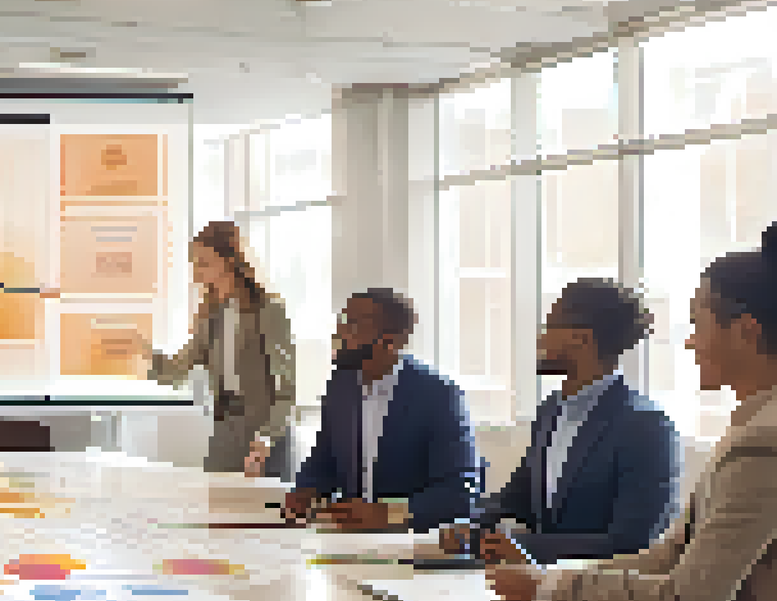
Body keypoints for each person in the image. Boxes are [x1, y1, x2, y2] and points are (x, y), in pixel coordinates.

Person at [489, 221, 777, 601]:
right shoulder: (750, 427)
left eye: (698, 323)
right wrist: (545, 576)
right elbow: (667, 557)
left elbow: (686, 599)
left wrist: (547, 585)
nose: (690, 343)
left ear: (746, 331)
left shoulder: (760, 441)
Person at [442, 279, 680, 564]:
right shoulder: (551, 410)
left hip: (600, 592)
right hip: (537, 587)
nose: (540, 340)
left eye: (549, 327)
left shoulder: (646, 426)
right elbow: (522, 495)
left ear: (581, 339)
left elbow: (633, 541)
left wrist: (520, 544)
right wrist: (471, 524)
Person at [284, 288, 480, 532]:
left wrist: (390, 513)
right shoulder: (341, 385)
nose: (339, 333)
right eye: (341, 321)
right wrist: (305, 491)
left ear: (393, 339)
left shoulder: (440, 394)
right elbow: (324, 461)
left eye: (353, 325)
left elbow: (460, 491)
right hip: (345, 538)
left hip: (412, 541)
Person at [138, 220, 297, 476]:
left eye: (203, 263)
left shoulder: (268, 311)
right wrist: (142, 351)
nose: (196, 273)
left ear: (229, 262)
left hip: (264, 436)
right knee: (218, 509)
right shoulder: (210, 317)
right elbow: (176, 372)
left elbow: (286, 389)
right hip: (225, 430)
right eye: (194, 264)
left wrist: (266, 438)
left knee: (260, 513)